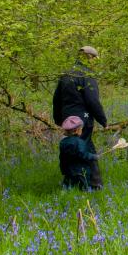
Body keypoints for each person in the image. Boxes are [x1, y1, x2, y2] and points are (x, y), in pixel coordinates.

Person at [53, 46, 108, 190]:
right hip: (81, 120)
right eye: (95, 58)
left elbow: (56, 99)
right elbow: (92, 101)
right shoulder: (86, 76)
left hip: (67, 119)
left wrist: (59, 119)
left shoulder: (66, 74)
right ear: (90, 58)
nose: (96, 62)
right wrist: (103, 120)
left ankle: (71, 183)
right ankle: (93, 184)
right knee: (86, 150)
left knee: (70, 151)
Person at [59, 116, 99, 191]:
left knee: (68, 186)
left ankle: (66, 196)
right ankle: (86, 197)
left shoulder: (63, 142)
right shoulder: (79, 142)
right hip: (81, 170)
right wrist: (93, 156)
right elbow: (83, 155)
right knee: (84, 186)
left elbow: (62, 157)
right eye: (81, 129)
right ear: (77, 130)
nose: (81, 130)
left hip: (68, 170)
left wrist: (63, 169)